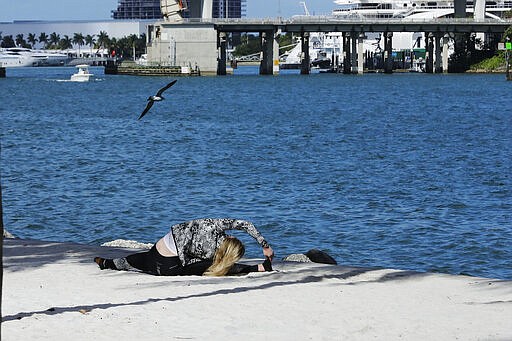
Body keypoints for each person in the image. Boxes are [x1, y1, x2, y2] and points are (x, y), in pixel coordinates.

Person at [94, 218, 274, 276]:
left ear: (231, 238)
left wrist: (264, 245)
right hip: (167, 269)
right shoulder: (212, 254)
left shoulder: (214, 225)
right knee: (214, 267)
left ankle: (107, 264)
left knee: (135, 260)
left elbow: (245, 224)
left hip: (156, 252)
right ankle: (258, 268)